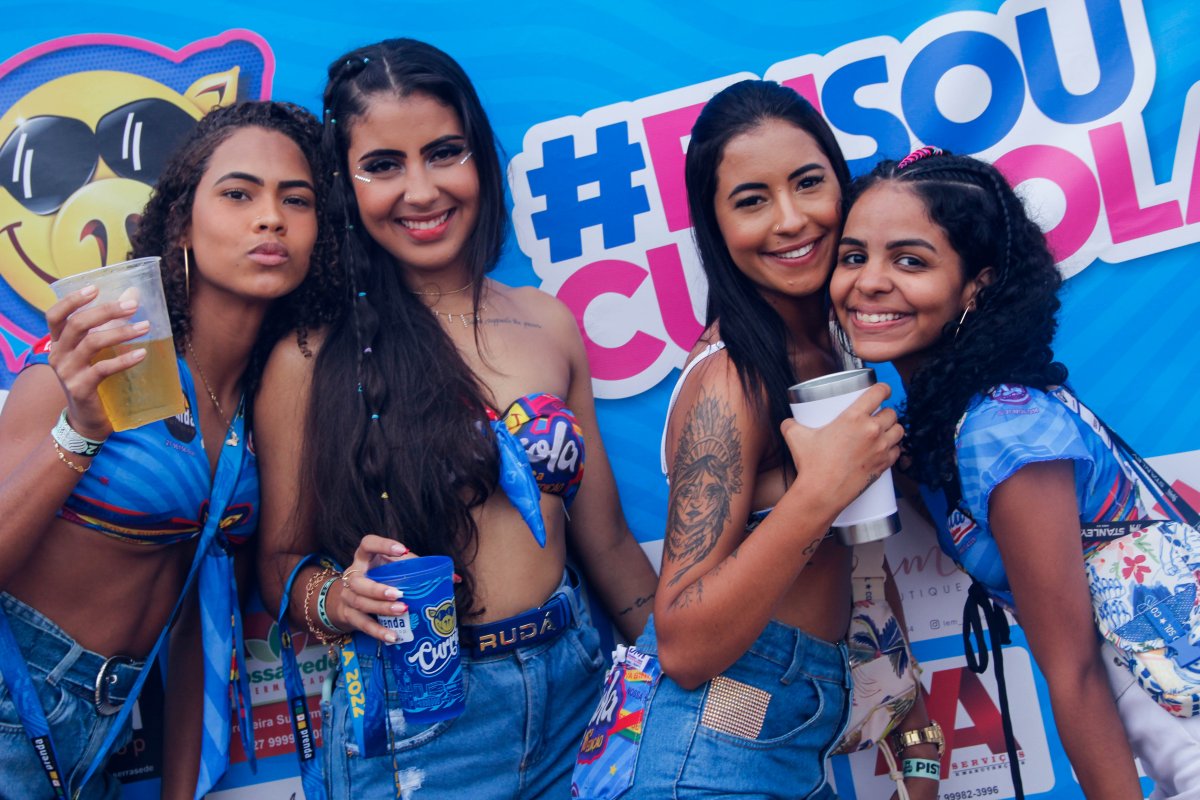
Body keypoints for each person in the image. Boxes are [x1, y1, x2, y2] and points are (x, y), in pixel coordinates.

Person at [255, 38, 657, 799]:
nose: (421, 190)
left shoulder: (548, 322)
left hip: (578, 693)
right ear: (344, 184)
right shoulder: (308, 358)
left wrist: (679, 668)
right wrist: (335, 598)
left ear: (479, 157)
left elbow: (604, 541)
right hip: (419, 721)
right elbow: (277, 563)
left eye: (444, 153)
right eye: (383, 165)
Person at [583, 79, 938, 800]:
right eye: (752, 200)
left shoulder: (835, 345)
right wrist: (821, 489)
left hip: (785, 739)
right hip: (708, 752)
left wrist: (914, 732)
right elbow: (684, 645)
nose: (791, 220)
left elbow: (858, 563)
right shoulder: (732, 380)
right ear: (715, 226)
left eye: (808, 183)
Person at [830, 146, 1200, 799]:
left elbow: (1076, 672)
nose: (870, 282)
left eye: (911, 260)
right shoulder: (949, 424)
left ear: (976, 286)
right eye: (854, 256)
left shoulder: (1003, 431)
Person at [0, 100, 338, 799]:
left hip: (101, 732)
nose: (270, 218)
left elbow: (199, 615)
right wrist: (83, 429)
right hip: (15, 701)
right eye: (238, 194)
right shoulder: (105, 354)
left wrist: (181, 790)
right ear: (182, 223)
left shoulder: (264, 402)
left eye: (296, 200)